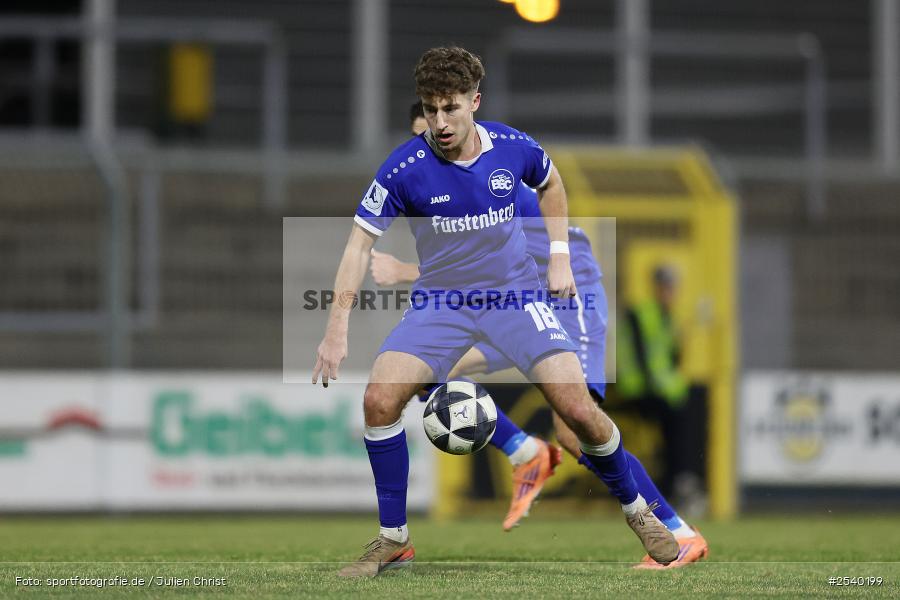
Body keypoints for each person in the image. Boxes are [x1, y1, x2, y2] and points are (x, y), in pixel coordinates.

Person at [313, 47, 678, 578]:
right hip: (443, 304)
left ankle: (638, 511)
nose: (439, 123)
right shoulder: (402, 168)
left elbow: (552, 184)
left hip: (516, 298)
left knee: (576, 412)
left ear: (474, 102)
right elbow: (357, 247)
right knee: (379, 399)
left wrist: (558, 259)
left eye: (450, 108)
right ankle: (393, 538)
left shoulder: (513, 147)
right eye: (431, 109)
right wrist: (335, 328)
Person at [366, 102, 709, 570]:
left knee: (574, 428)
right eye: (421, 132)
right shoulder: (435, 173)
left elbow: (482, 255)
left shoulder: (486, 171)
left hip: (567, 290)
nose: (430, 140)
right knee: (424, 373)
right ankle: (525, 451)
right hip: (510, 298)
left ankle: (677, 531)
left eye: (433, 128)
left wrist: (403, 271)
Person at [617, 265, 707, 507]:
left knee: (684, 419)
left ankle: (678, 480)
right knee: (678, 422)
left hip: (660, 390)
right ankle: (680, 480)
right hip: (640, 390)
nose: (670, 292)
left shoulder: (669, 316)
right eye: (666, 286)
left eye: (672, 287)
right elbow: (643, 359)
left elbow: (673, 356)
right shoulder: (642, 313)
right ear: (657, 287)